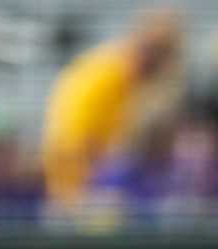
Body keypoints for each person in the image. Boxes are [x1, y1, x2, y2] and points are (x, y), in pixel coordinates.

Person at [40, 9, 181, 206]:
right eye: (163, 55)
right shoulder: (108, 74)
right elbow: (78, 141)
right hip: (78, 188)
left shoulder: (124, 77)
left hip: (89, 182)